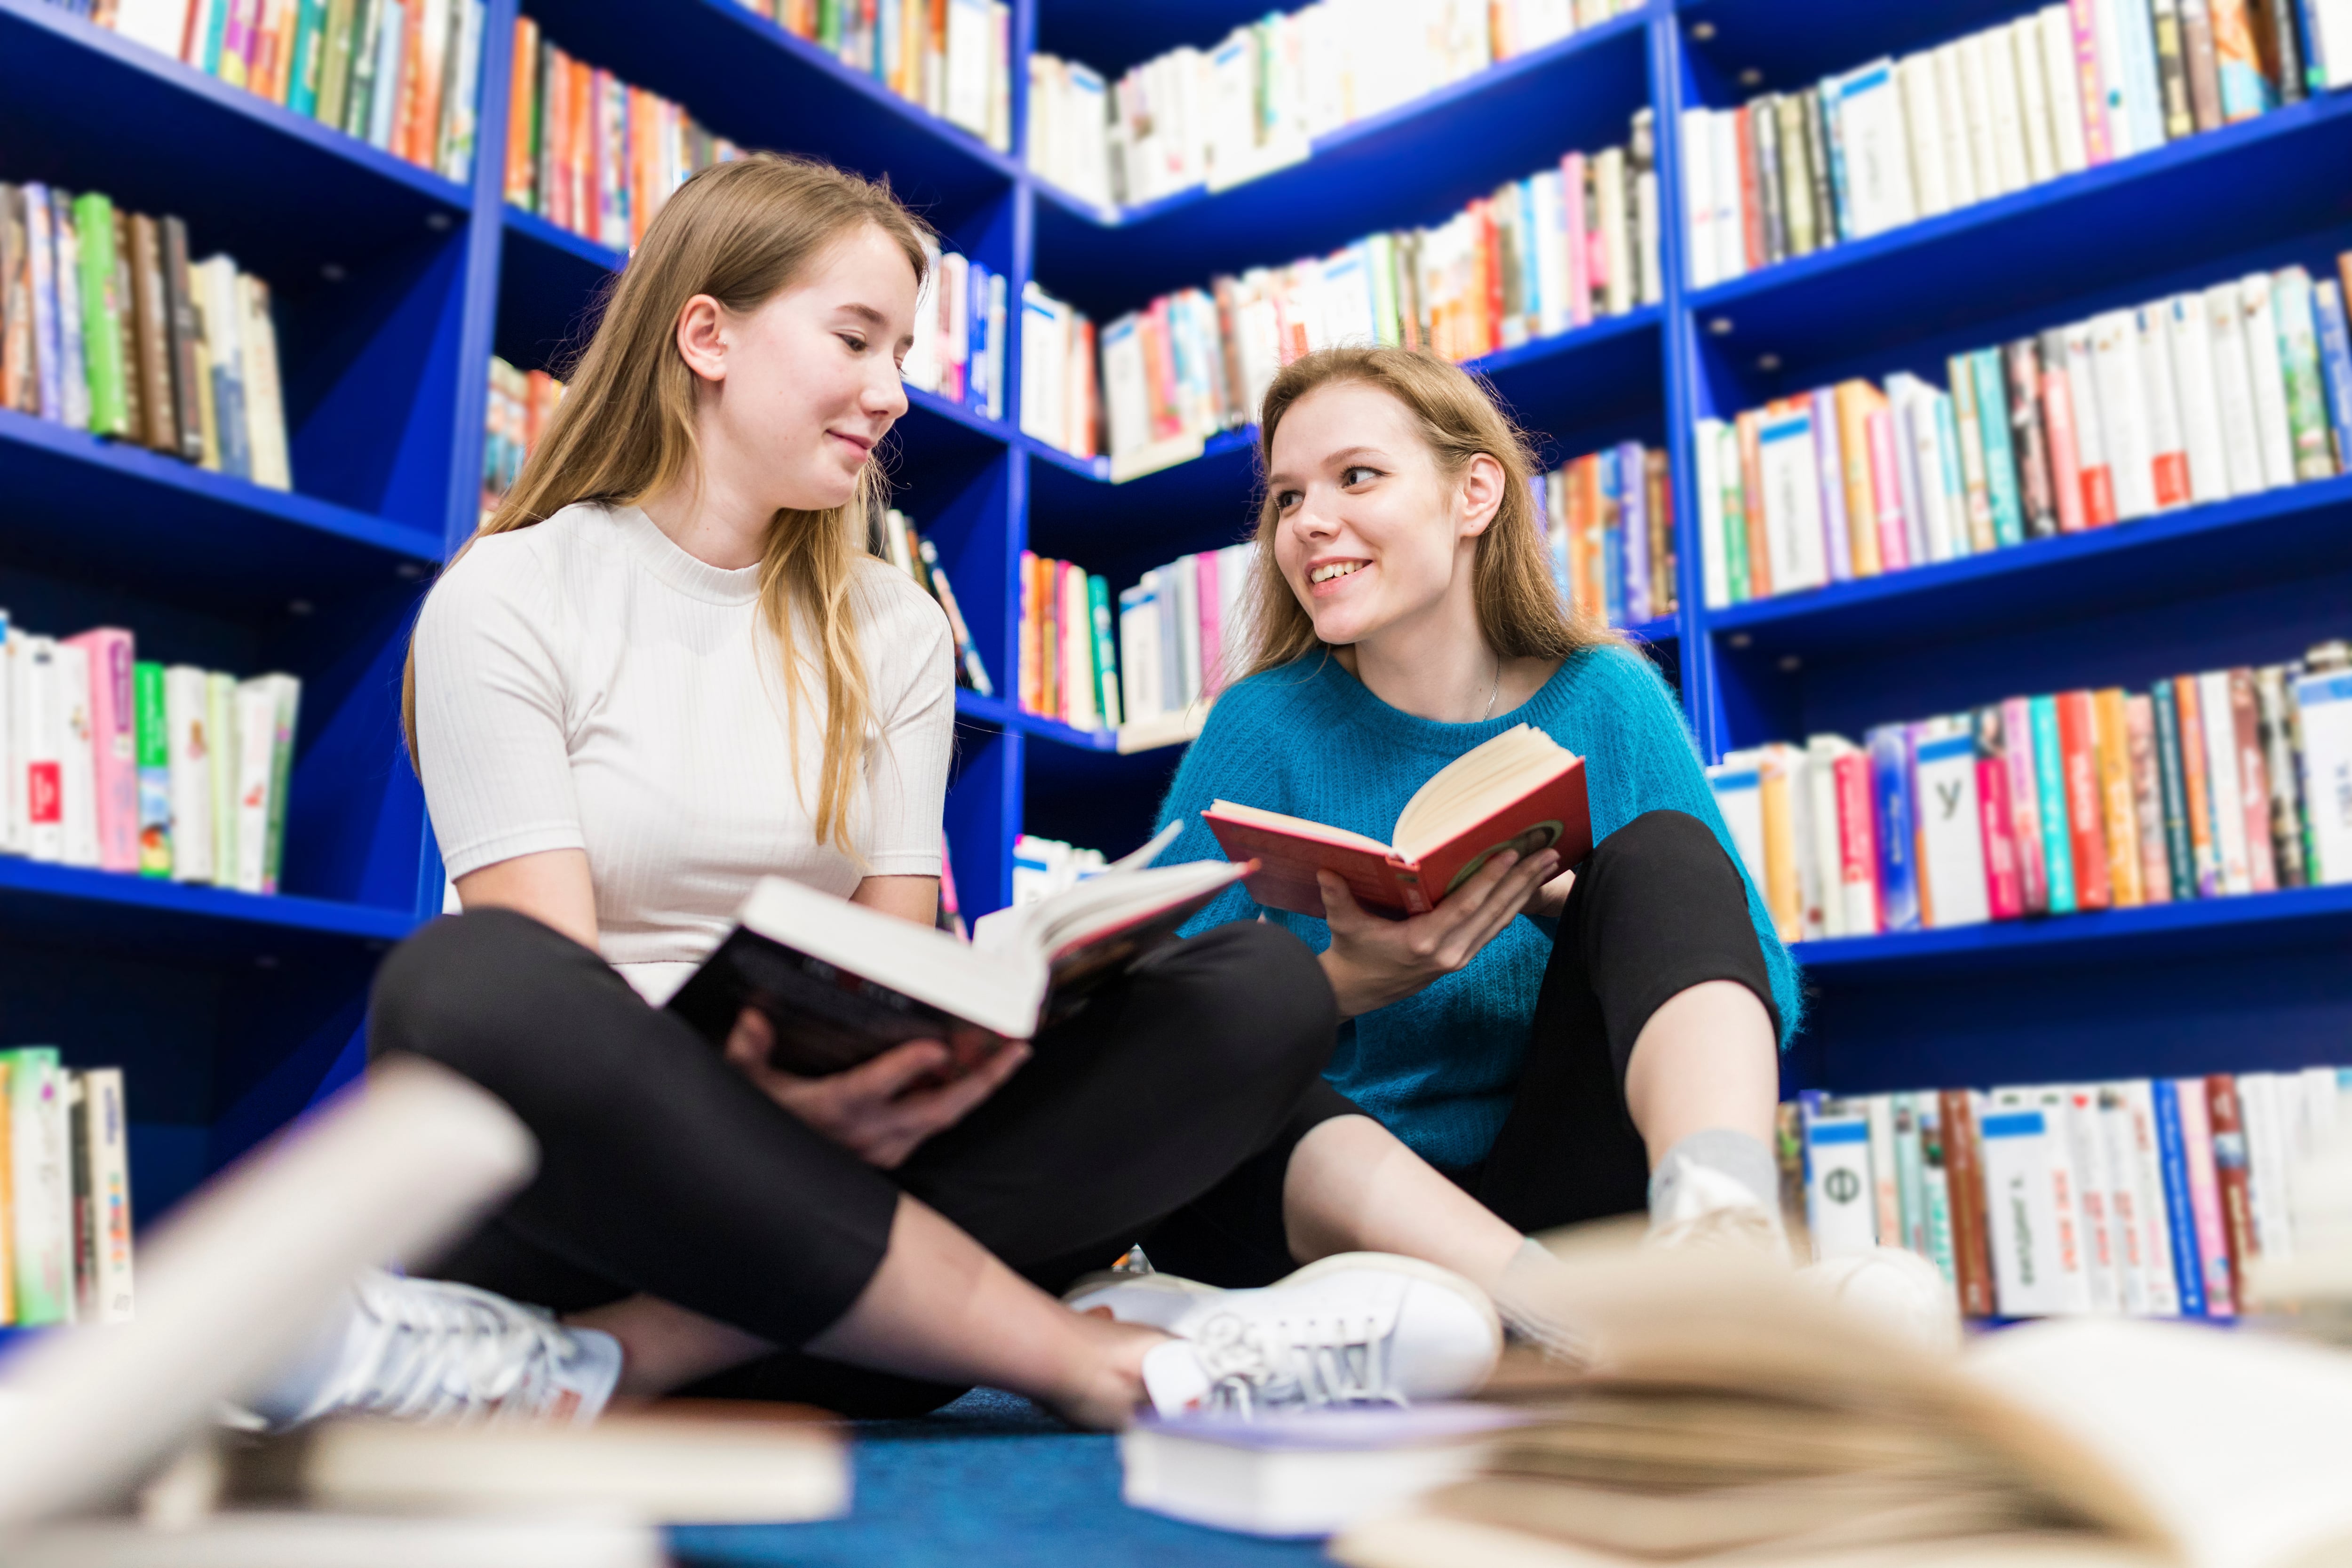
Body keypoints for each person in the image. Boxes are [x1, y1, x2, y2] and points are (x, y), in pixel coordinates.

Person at [251, 156, 1544, 1435]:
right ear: (707, 333)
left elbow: (888, 954)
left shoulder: (894, 625)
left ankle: (593, 1365)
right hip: (611, 1205)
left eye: (903, 351)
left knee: (1256, 990)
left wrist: (918, 1065)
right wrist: (752, 1111)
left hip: (851, 1206)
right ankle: (1094, 1351)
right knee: (473, 978)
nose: (891, 393)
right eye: (855, 338)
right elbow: (558, 989)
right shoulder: (512, 594)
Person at [1142, 344, 1805, 1290]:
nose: (1309, 523)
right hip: (1337, 1201)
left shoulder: (1606, 695)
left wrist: (1570, 907)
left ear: (1474, 494)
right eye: (1287, 497)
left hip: (1559, 1177)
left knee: (1662, 852)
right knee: (1190, 1060)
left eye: (1355, 476)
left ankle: (1722, 1244)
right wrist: (1341, 981)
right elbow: (1142, 1033)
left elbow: (1758, 984)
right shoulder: (1262, 722)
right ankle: (1552, 1315)